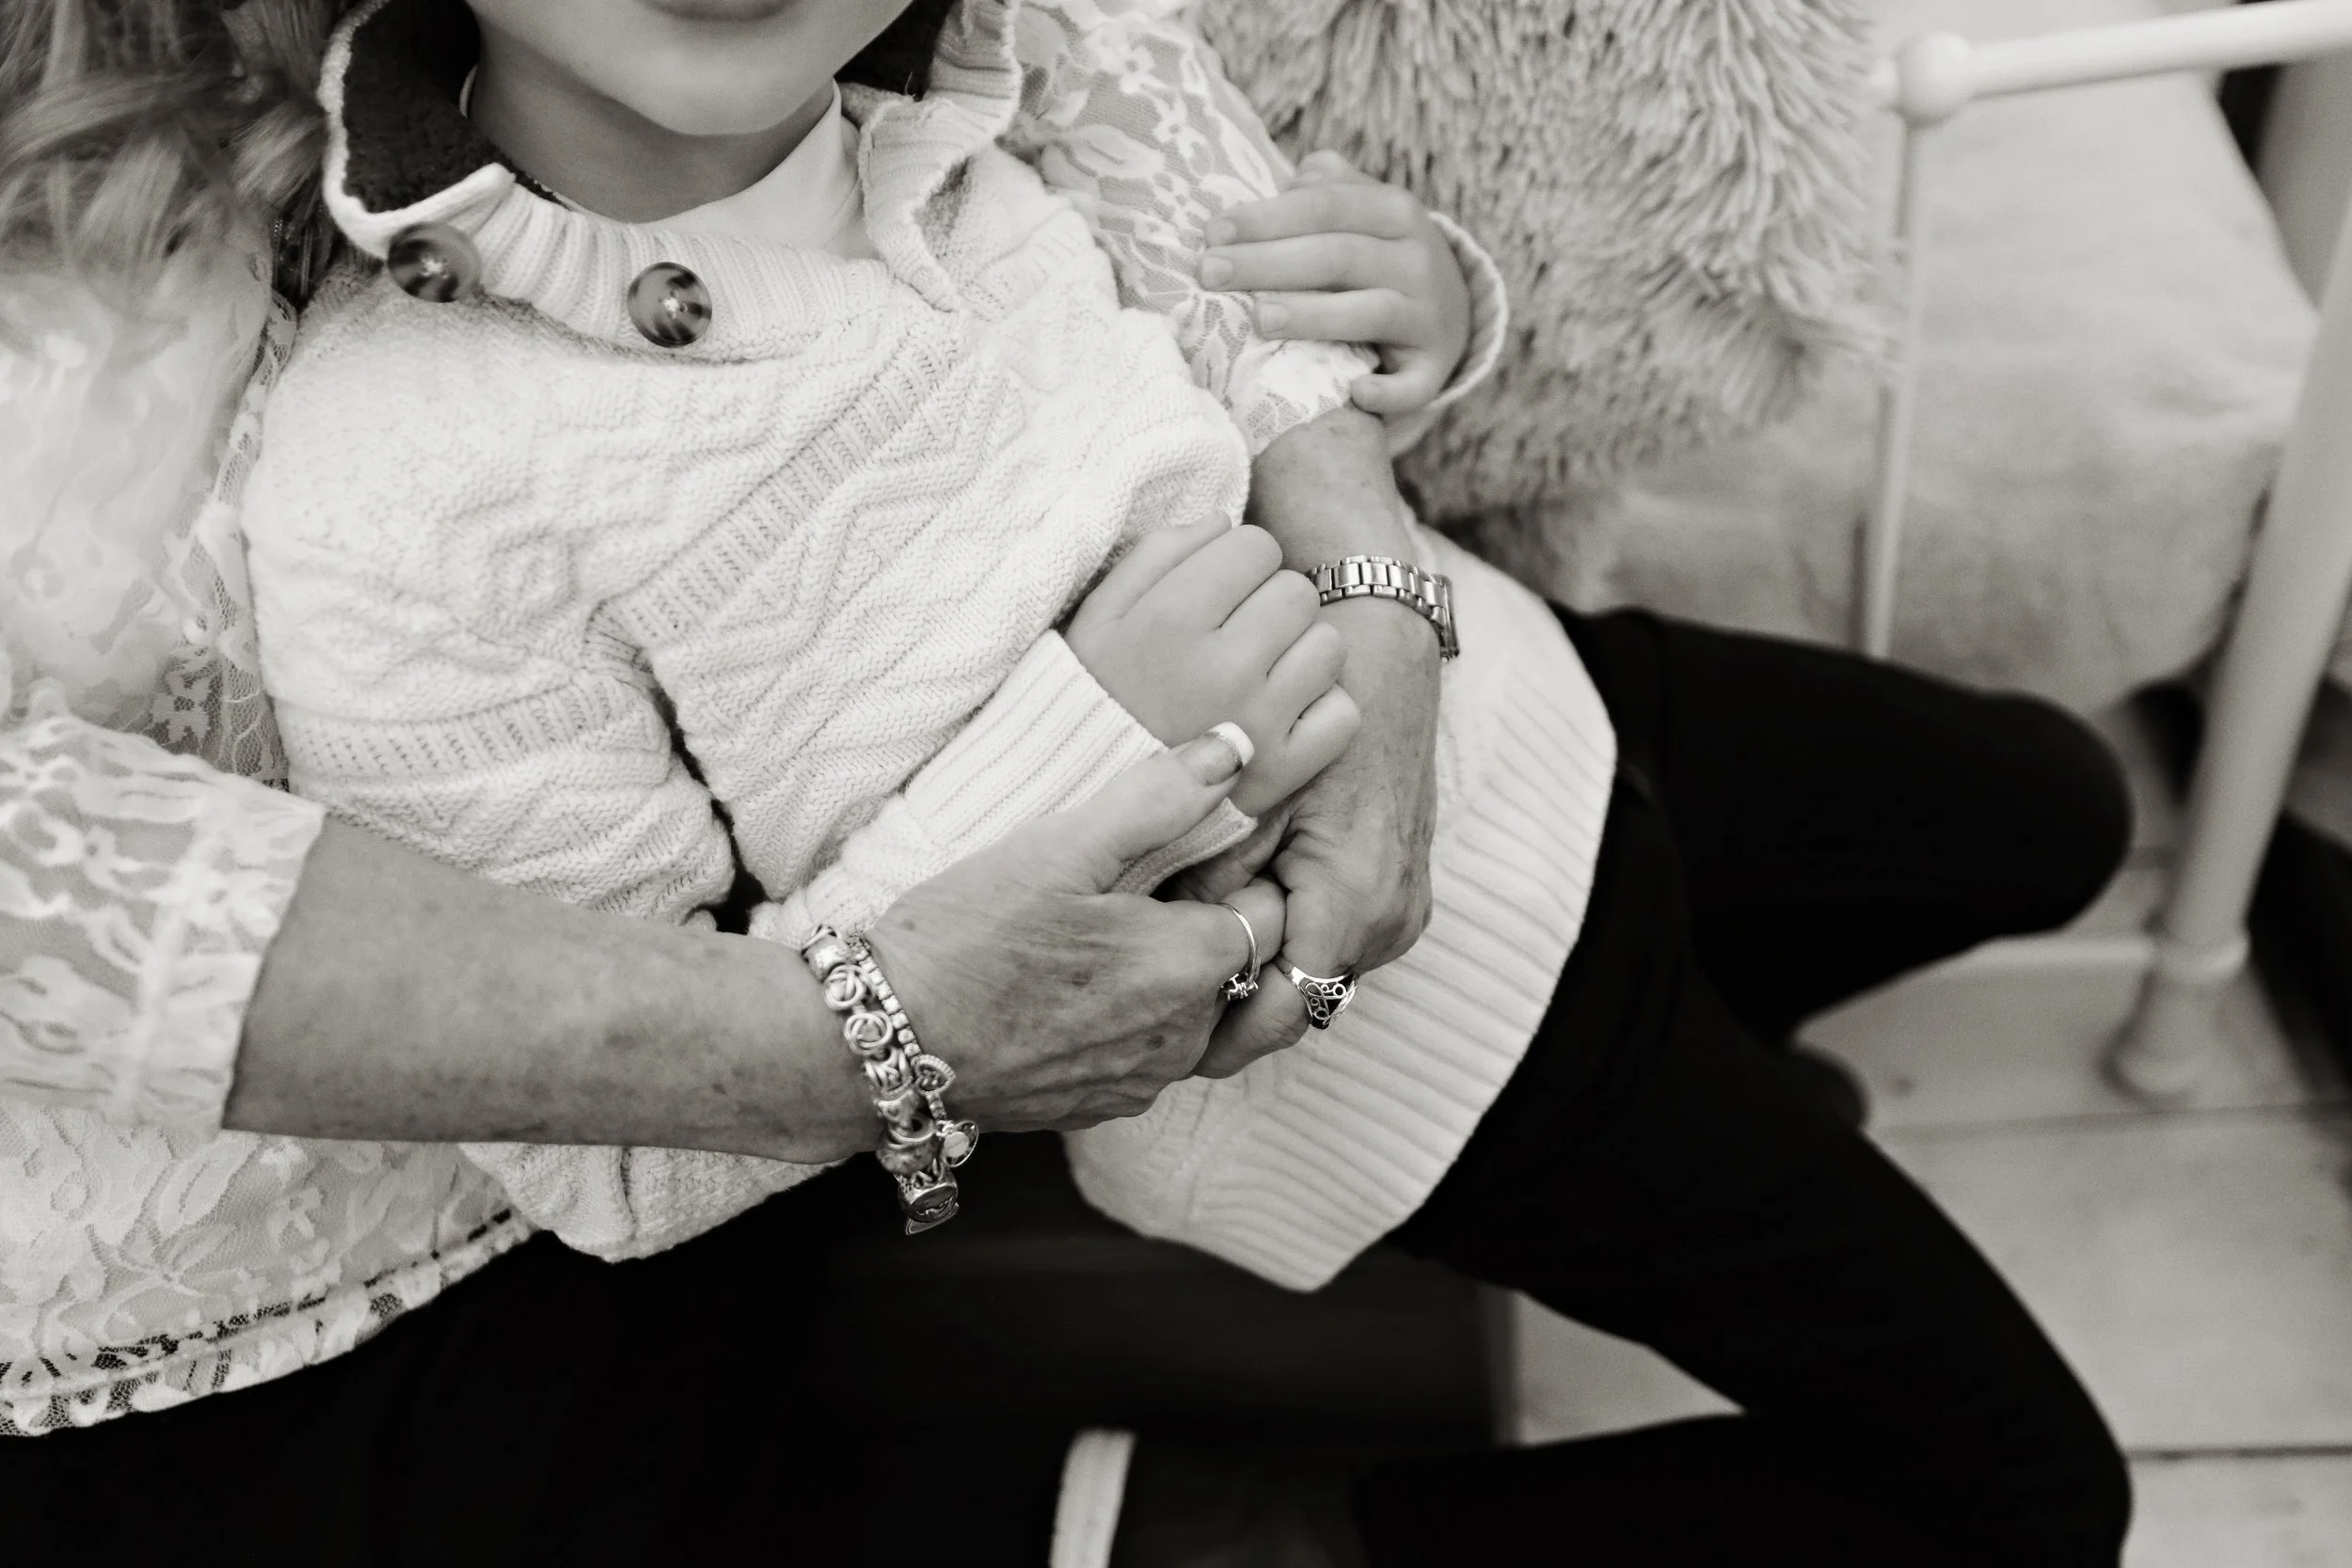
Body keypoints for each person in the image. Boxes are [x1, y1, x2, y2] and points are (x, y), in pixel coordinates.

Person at [3, 2, 2136, 1565]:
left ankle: (1739, 1083)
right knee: (2026, 1490)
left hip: (1536, 716)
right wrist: (1101, 751)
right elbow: (614, 1173)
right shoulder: (392, 488)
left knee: (2060, 807)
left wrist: (1417, 343)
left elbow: (1239, 319)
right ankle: (1295, 1535)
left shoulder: (967, 88)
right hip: (1420, 1036)